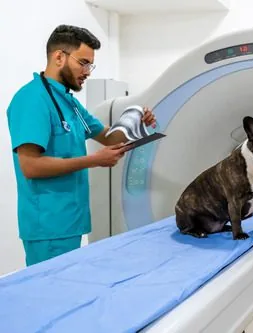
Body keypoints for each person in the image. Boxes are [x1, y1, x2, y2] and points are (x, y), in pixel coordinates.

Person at [6, 24, 157, 266]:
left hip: (70, 221)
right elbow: (30, 166)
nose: (88, 71)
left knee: (66, 293)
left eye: (90, 65)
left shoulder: (69, 102)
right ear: (59, 57)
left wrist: (137, 124)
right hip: (47, 225)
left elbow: (108, 137)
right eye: (83, 63)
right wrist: (95, 161)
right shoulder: (32, 99)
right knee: (52, 297)